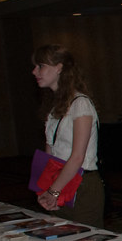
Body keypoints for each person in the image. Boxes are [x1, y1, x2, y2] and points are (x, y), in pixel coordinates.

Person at [31, 44, 104, 228]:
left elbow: (77, 156)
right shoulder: (55, 106)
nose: (34, 71)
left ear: (59, 67)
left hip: (82, 184)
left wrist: (53, 191)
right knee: (61, 240)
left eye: (41, 66)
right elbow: (51, 152)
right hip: (60, 181)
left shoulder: (81, 104)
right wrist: (45, 188)